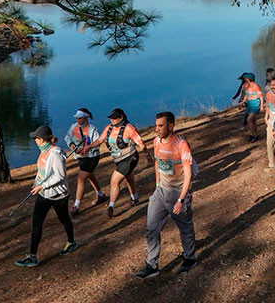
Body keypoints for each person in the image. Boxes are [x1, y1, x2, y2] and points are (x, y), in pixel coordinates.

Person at [133, 112, 198, 279]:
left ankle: (190, 258)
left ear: (171, 126)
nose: (157, 129)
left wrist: (181, 200)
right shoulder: (156, 141)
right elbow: (157, 163)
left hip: (177, 193)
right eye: (156, 126)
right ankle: (151, 265)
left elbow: (189, 175)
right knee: (151, 228)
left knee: (185, 227)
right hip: (160, 192)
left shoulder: (181, 144)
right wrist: (156, 186)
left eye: (160, 126)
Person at [14, 126, 77, 267]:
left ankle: (71, 242)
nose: (34, 140)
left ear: (41, 139)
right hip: (44, 194)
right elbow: (42, 171)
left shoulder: (55, 154)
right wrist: (36, 183)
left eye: (36, 138)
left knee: (64, 218)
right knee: (36, 223)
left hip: (58, 195)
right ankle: (32, 256)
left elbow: (60, 176)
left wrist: (42, 186)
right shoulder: (43, 151)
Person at [83, 108, 147, 218]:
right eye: (111, 118)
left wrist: (148, 156)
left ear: (121, 118)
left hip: (130, 158)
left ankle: (110, 207)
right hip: (119, 160)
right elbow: (100, 140)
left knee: (114, 181)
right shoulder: (109, 128)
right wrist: (88, 147)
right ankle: (135, 199)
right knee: (129, 178)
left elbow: (140, 142)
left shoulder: (129, 129)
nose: (112, 120)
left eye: (115, 118)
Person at [64, 108, 106, 214]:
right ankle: (100, 195)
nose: (78, 119)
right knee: (90, 175)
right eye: (77, 117)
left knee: (81, 178)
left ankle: (76, 205)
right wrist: (72, 145)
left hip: (92, 157)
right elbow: (67, 137)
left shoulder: (92, 129)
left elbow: (99, 141)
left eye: (80, 118)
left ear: (85, 118)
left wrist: (89, 147)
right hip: (81, 158)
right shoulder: (73, 127)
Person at [238, 73, 264, 143]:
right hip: (249, 103)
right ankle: (255, 134)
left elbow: (261, 96)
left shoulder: (256, 86)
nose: (244, 79)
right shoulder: (245, 86)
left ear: (248, 78)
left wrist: (261, 106)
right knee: (253, 121)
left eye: (245, 78)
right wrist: (242, 102)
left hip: (255, 104)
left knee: (249, 120)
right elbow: (246, 95)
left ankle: (253, 135)